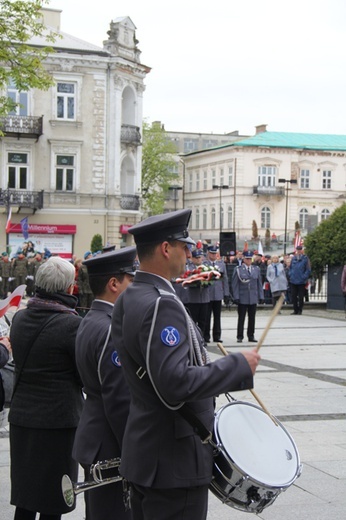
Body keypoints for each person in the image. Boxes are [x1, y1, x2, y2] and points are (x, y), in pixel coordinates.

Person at [111, 209, 261, 520]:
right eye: (184, 245)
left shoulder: (131, 296)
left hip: (147, 452)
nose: (190, 252)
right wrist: (237, 366)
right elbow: (174, 383)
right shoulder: (161, 303)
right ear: (166, 249)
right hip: (172, 459)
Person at [9, 256, 84, 520]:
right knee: (54, 500)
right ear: (68, 288)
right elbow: (83, 376)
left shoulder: (19, 319)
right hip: (58, 424)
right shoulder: (72, 325)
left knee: (26, 497)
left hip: (23, 419)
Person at [73, 247, 137, 520]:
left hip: (94, 434)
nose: (134, 287)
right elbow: (119, 399)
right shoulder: (112, 328)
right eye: (129, 281)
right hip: (110, 443)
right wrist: (136, 450)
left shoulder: (89, 319)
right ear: (114, 284)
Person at [232, 250, 264, 343]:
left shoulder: (256, 269)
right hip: (243, 297)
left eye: (250, 259)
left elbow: (259, 284)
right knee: (241, 317)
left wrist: (261, 296)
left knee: (252, 317)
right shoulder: (238, 269)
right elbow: (235, 284)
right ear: (243, 259)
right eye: (247, 259)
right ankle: (240, 336)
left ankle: (251, 335)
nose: (249, 260)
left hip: (253, 297)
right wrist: (236, 296)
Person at [203, 244, 229, 343]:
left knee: (217, 316)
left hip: (218, 293)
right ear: (208, 253)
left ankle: (217, 335)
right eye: (211, 253)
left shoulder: (221, 264)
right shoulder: (205, 264)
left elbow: (225, 279)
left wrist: (226, 293)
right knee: (207, 316)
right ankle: (206, 336)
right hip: (207, 293)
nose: (213, 255)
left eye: (215, 253)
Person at [184, 249, 210, 338]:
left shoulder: (206, 268)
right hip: (193, 298)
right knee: (193, 320)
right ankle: (194, 338)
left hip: (204, 298)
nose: (199, 259)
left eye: (200, 257)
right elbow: (186, 280)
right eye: (196, 258)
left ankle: (202, 338)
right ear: (192, 258)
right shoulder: (189, 268)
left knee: (203, 320)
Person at [288, 246, 311, 315]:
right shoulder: (293, 258)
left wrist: (304, 277)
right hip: (293, 280)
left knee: (301, 297)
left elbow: (308, 269)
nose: (298, 251)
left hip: (301, 281)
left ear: (302, 250)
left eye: (300, 250)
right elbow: (290, 268)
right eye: (297, 250)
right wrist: (290, 275)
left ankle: (300, 310)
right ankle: (295, 310)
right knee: (293, 296)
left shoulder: (305, 258)